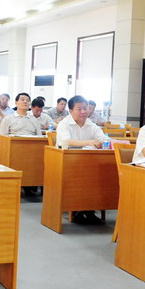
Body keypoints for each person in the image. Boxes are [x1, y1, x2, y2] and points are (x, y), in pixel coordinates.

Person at [55, 95, 107, 224]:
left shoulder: (91, 124)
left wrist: (100, 142)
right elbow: (66, 141)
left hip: (88, 162)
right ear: (70, 111)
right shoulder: (64, 124)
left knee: (100, 175)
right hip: (67, 162)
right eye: (79, 109)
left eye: (85, 108)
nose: (83, 112)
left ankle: (89, 208)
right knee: (83, 175)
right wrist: (89, 142)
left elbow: (103, 139)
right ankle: (78, 209)